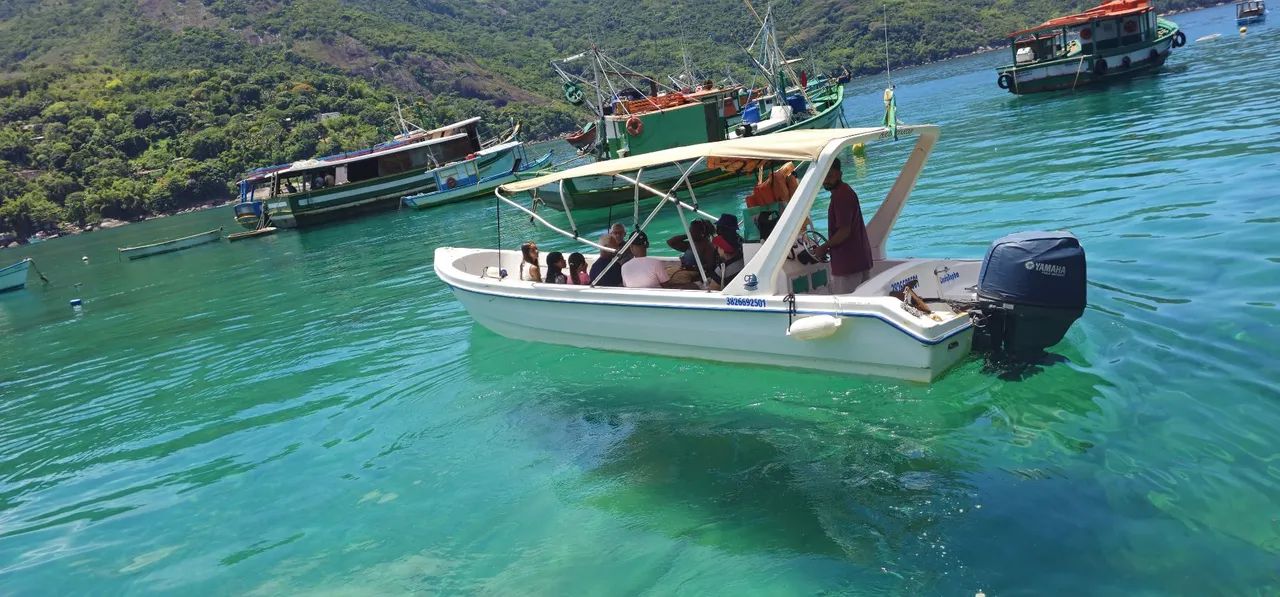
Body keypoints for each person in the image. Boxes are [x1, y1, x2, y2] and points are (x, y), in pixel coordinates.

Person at [813, 158, 873, 294]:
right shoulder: (845, 191)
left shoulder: (841, 196)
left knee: (846, 304)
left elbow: (844, 231)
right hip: (859, 260)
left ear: (839, 174)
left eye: (830, 175)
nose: (826, 180)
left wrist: (824, 247)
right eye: (824, 175)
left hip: (848, 266)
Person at [665, 219, 715, 286]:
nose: (690, 232)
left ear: (702, 232)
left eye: (693, 230)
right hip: (684, 270)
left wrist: (692, 267)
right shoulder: (691, 244)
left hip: (694, 273)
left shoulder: (708, 247)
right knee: (663, 274)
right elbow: (670, 242)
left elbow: (710, 267)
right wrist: (687, 235)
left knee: (671, 282)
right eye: (690, 230)